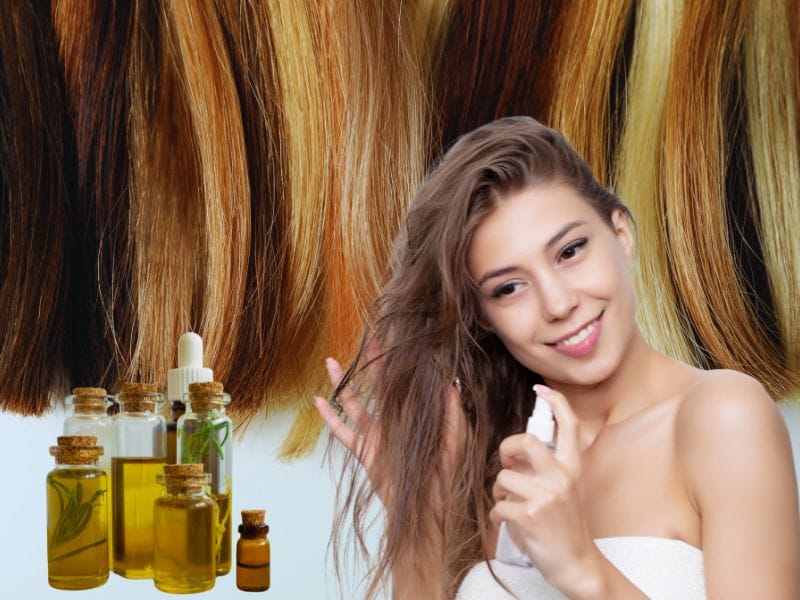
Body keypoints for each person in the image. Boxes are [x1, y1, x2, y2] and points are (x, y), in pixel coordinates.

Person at [313, 116, 800, 599]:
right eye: (508, 287)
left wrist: (582, 568)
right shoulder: (500, 465)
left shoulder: (722, 417)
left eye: (570, 251)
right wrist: (419, 520)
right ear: (482, 316)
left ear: (621, 233)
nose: (558, 303)